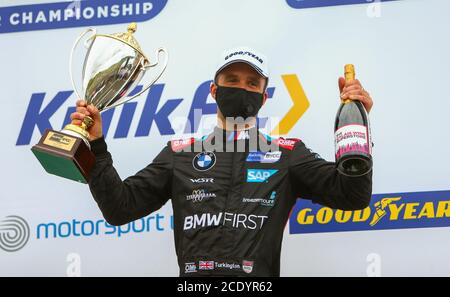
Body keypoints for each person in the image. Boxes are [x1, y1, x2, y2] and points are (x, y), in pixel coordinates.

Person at [70, 47, 374, 276]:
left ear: (264, 97)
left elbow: (353, 195)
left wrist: (359, 129)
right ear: (214, 91)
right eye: (232, 80)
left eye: (252, 83)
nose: (242, 87)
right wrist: (96, 146)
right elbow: (120, 207)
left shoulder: (287, 153)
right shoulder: (180, 153)